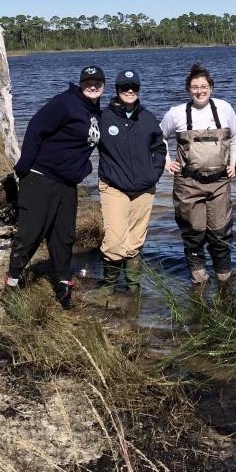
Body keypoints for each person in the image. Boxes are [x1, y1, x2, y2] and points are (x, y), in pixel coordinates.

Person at [4, 64, 104, 309]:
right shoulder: (65, 103)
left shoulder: (95, 110)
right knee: (31, 233)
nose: (93, 86)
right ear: (81, 83)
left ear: (103, 85)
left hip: (67, 184)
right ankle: (12, 284)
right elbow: (37, 127)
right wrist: (24, 166)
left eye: (97, 83)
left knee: (64, 237)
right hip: (41, 176)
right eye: (88, 82)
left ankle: (62, 284)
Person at [84, 69, 166, 303]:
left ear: (138, 90)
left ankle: (133, 288)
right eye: (124, 87)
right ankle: (108, 286)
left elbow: (159, 148)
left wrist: (155, 173)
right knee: (115, 242)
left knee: (135, 241)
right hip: (114, 188)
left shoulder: (148, 118)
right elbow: (85, 143)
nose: (129, 91)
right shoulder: (103, 117)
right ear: (117, 90)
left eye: (133, 87)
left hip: (144, 188)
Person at [159, 63, 236, 286]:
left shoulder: (224, 108)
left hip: (219, 183)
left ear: (211, 88)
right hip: (188, 184)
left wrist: (233, 163)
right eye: (194, 87)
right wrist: (167, 162)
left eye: (204, 86)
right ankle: (199, 282)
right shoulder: (176, 113)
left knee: (220, 233)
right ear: (188, 89)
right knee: (193, 233)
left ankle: (224, 280)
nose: (199, 91)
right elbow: (158, 137)